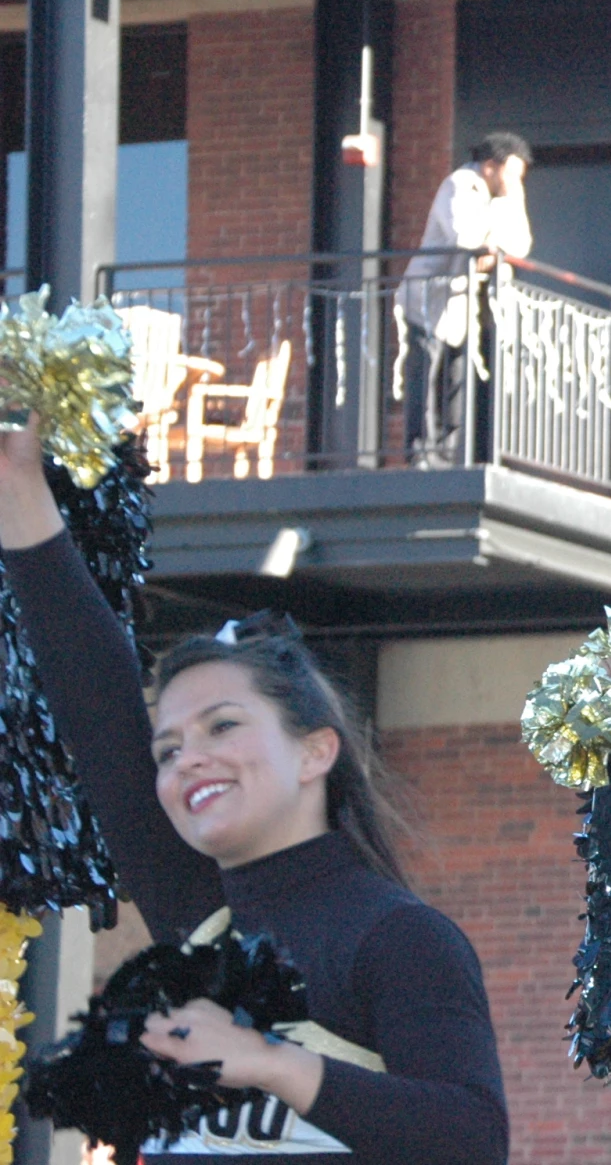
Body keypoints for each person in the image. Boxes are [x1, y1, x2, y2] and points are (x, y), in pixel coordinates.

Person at [0, 423, 508, 1163]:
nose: (188, 760)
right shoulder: (203, 918)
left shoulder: (398, 938)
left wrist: (273, 1060)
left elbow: (473, 1137)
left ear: (315, 750)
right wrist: (19, 485)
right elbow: (99, 710)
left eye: (222, 726)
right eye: (169, 748)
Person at [403, 132, 533, 468]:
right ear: (490, 167)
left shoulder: (504, 197)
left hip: (462, 304)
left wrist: (515, 199)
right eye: (512, 173)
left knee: (455, 380)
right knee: (426, 376)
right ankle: (420, 454)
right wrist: (492, 245)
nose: (517, 181)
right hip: (428, 300)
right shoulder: (459, 185)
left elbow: (521, 245)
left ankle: (445, 457)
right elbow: (464, 235)